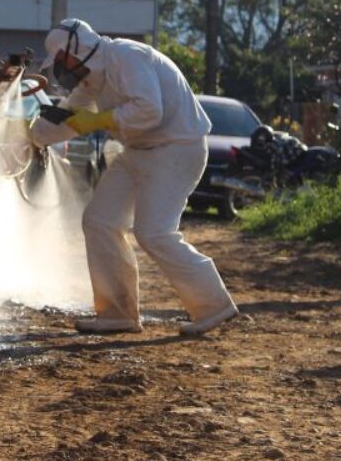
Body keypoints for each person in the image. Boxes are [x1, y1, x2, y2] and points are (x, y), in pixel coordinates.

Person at [30, 18, 238, 336]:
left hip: (177, 148)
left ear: (76, 48)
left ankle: (213, 305)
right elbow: (70, 117)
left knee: (154, 232)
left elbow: (149, 110)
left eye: (61, 60)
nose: (61, 68)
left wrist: (99, 120)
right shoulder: (92, 78)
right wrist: (30, 137)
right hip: (139, 151)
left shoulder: (127, 56)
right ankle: (117, 312)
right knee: (100, 220)